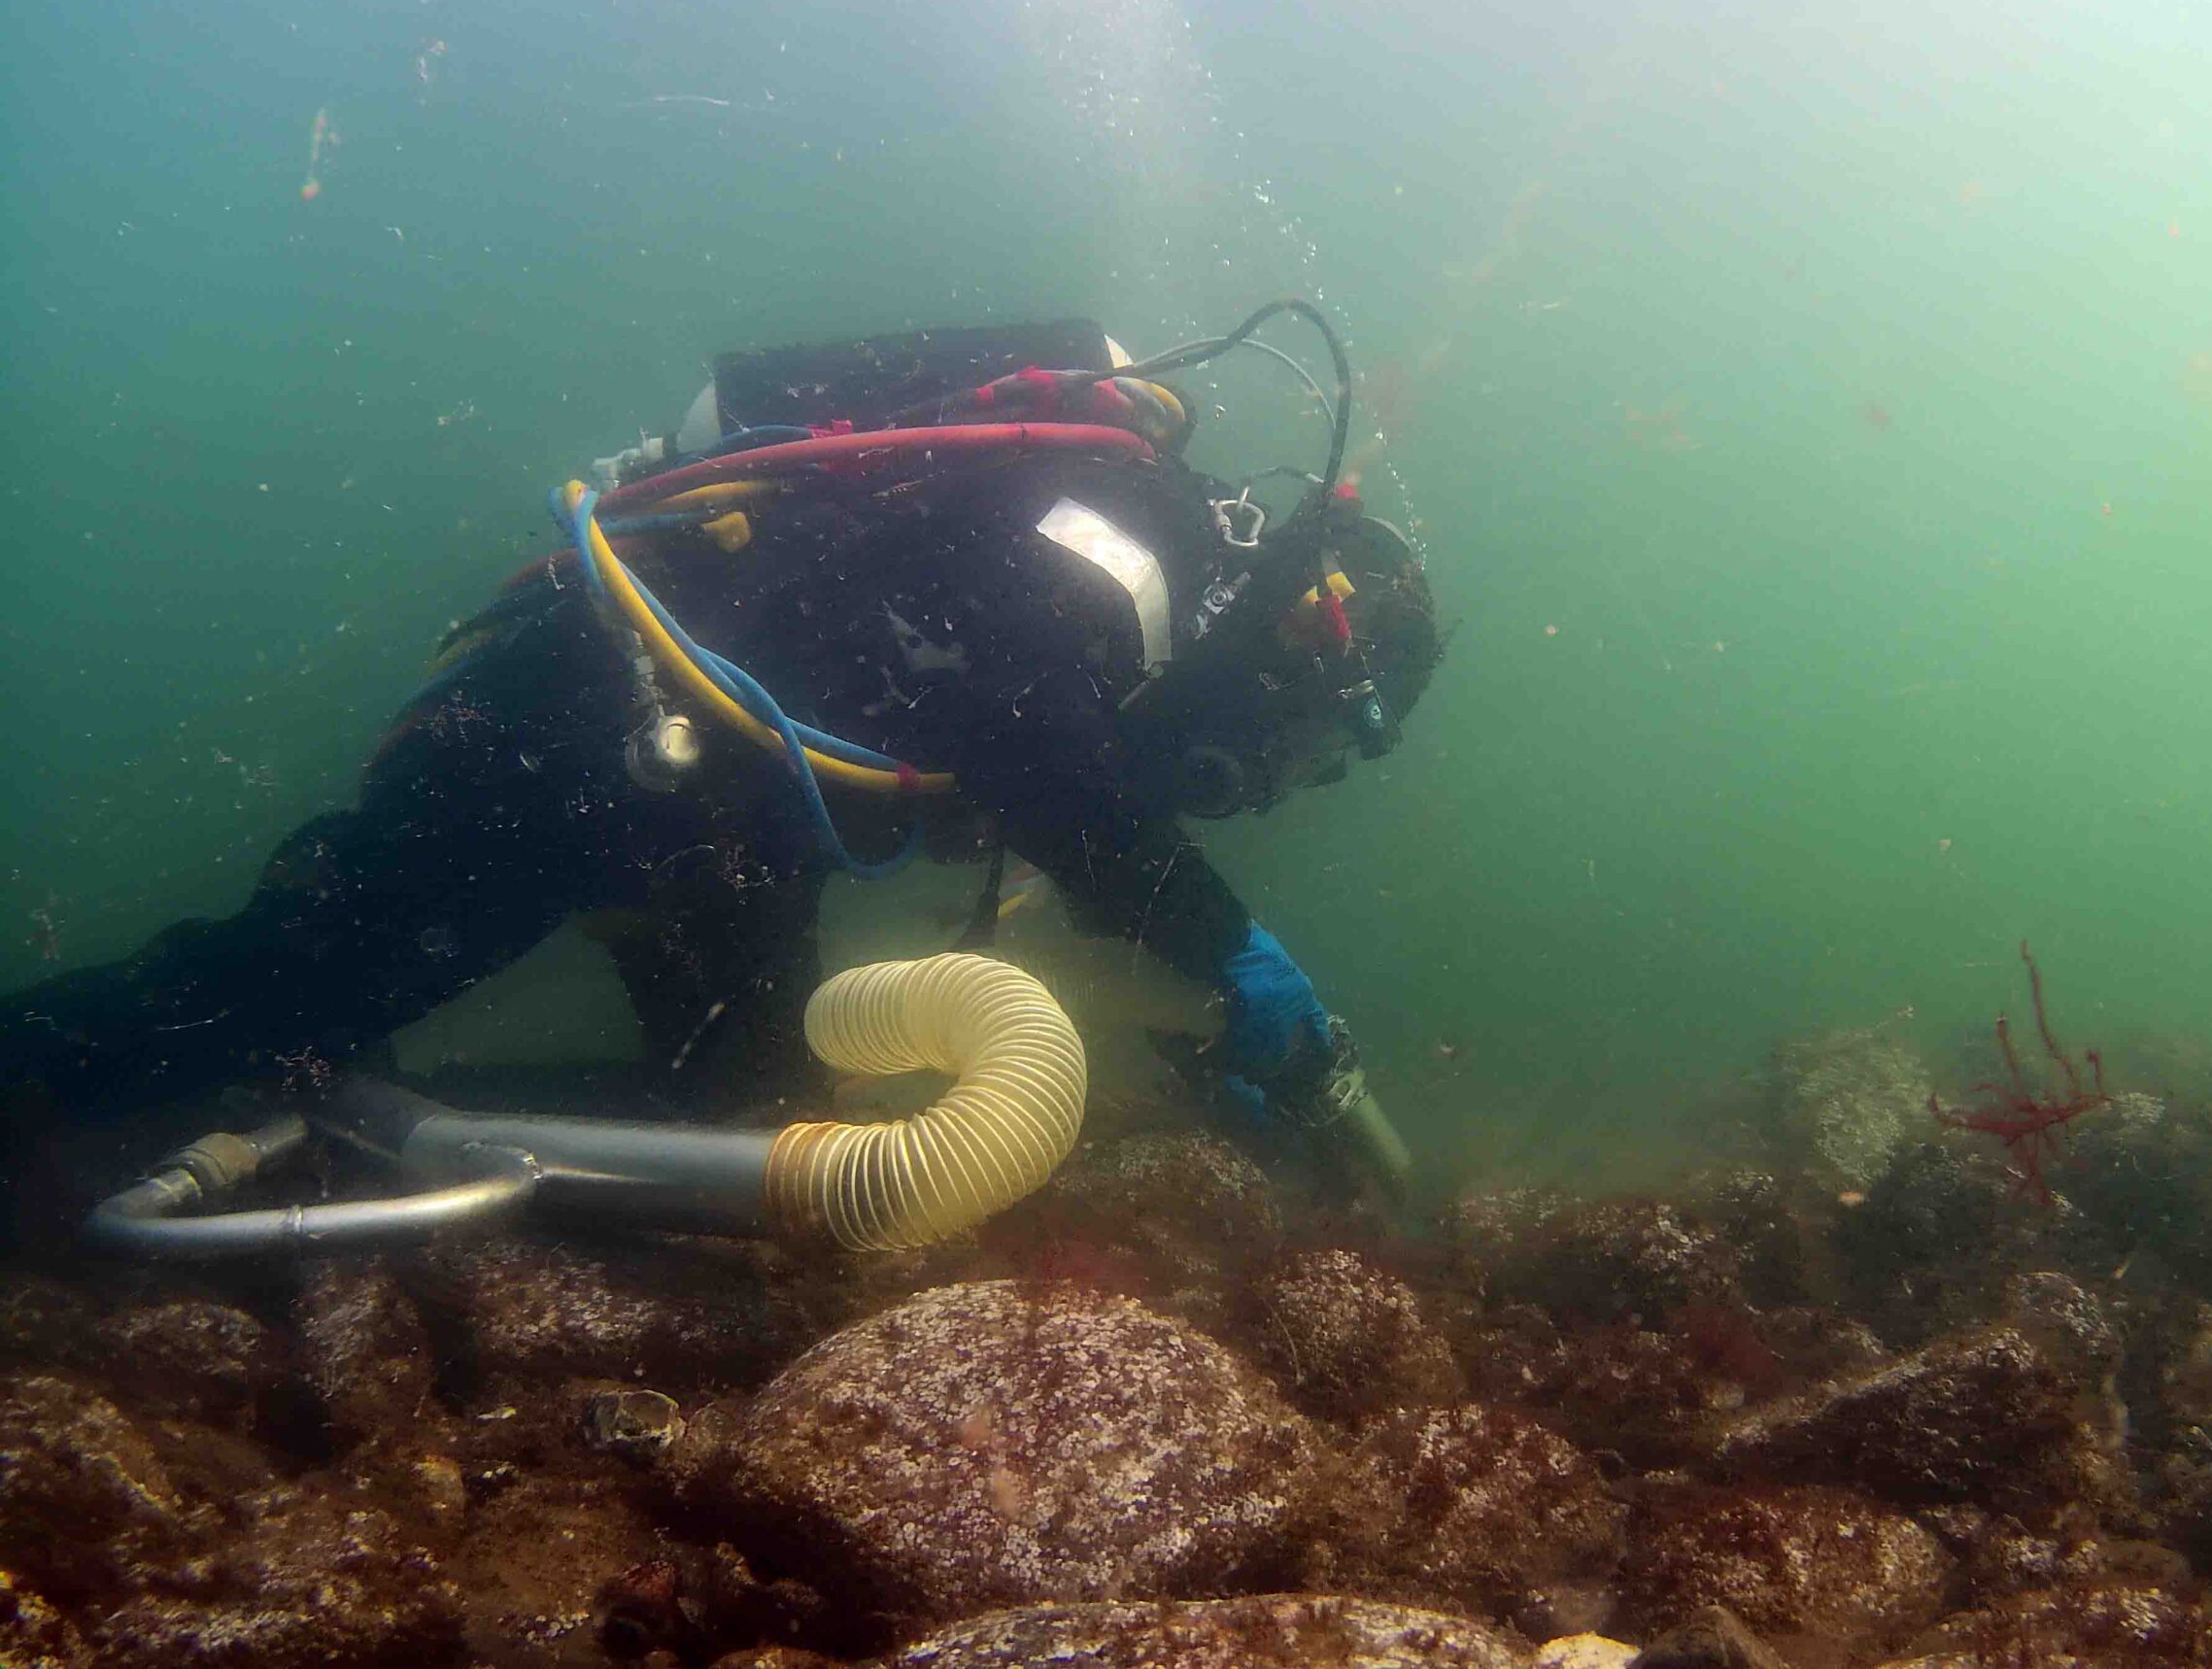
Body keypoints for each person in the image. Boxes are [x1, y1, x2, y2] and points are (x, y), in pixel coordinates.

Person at [0, 304, 1440, 1226]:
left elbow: (1013, 751)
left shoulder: (1119, 556)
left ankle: (330, 1126)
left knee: (728, 1097)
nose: (1255, 781)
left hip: (692, 811)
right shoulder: (1135, 545)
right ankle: (134, 1089)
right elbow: (1043, 753)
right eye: (1295, 751)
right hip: (575, 730)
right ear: (1311, 643)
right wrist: (1231, 952)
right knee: (274, 980)